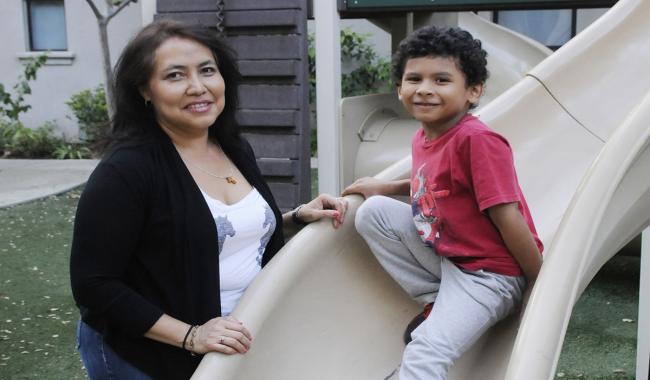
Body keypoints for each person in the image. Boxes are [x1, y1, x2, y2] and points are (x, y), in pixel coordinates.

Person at [70, 20, 347, 380]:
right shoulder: (126, 170)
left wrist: (294, 217)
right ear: (144, 90)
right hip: (148, 355)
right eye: (175, 76)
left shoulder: (232, 147)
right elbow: (94, 285)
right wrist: (192, 335)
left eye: (207, 71)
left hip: (229, 343)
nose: (197, 87)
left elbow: (207, 230)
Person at [342, 25, 543, 379]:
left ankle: (450, 310)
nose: (424, 89)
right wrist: (386, 188)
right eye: (414, 78)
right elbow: (434, 185)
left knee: (425, 350)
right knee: (373, 213)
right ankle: (438, 300)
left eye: (441, 80)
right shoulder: (425, 134)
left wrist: (539, 286)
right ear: (399, 87)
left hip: (491, 275)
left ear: (474, 91)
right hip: (450, 260)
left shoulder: (478, 141)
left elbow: (508, 217)